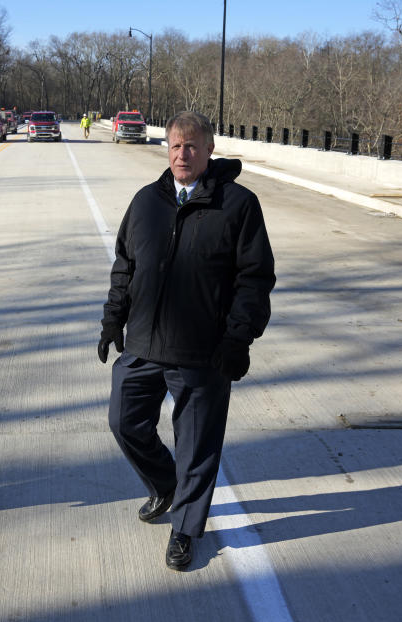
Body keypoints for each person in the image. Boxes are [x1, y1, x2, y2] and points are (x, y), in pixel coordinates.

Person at [97, 111, 275, 570]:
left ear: (210, 150)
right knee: (124, 422)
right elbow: (125, 265)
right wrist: (112, 320)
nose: (183, 154)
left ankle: (185, 530)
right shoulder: (146, 201)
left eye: (192, 146)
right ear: (167, 148)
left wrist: (238, 339)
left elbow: (254, 280)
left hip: (203, 351)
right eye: (176, 145)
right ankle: (164, 485)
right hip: (142, 344)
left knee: (196, 446)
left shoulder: (238, 205)